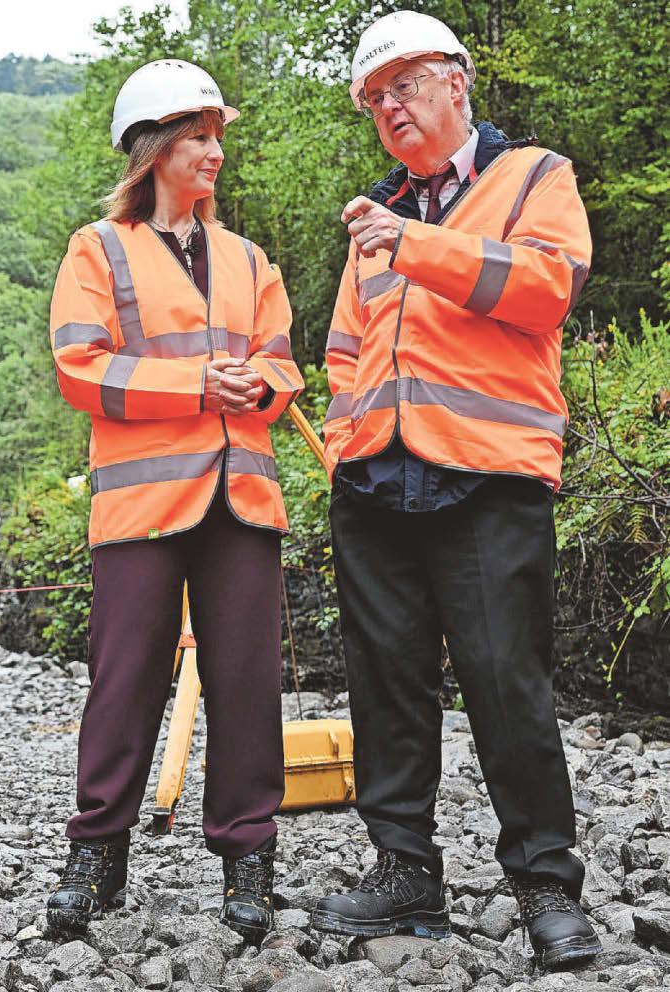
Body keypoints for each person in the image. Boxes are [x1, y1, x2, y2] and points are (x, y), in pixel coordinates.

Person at [311, 10, 600, 969]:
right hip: (375, 480)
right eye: (374, 96)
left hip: (487, 477)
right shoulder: (374, 216)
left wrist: (414, 244)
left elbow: (545, 287)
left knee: (506, 684)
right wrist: (346, 446)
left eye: (403, 85)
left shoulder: (533, 176)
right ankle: (404, 874)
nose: (388, 106)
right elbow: (344, 349)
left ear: (455, 81)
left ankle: (546, 886)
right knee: (384, 684)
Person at [44, 59, 304, 945]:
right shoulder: (97, 249)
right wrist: (198, 384)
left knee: (246, 686)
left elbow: (281, 365)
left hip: (242, 503)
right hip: (142, 508)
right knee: (123, 684)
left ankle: (248, 862)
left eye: (217, 135)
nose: (214, 151)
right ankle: (97, 853)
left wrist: (255, 388)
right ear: (153, 148)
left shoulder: (248, 258)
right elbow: (81, 368)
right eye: (197, 135)